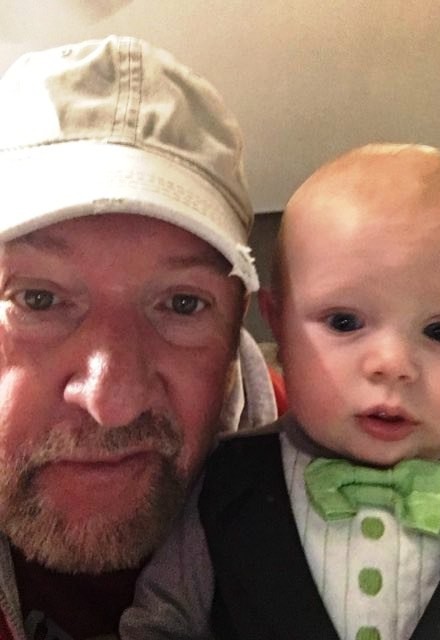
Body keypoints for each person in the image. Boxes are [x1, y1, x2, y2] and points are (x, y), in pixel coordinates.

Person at [122, 143, 440, 640]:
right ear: (279, 329)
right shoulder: (224, 481)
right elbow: (160, 623)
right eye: (344, 322)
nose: (393, 365)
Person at [0, 35, 278, 640]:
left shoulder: (367, 459)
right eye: (37, 299)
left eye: (182, 304)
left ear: (237, 327)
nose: (112, 402)